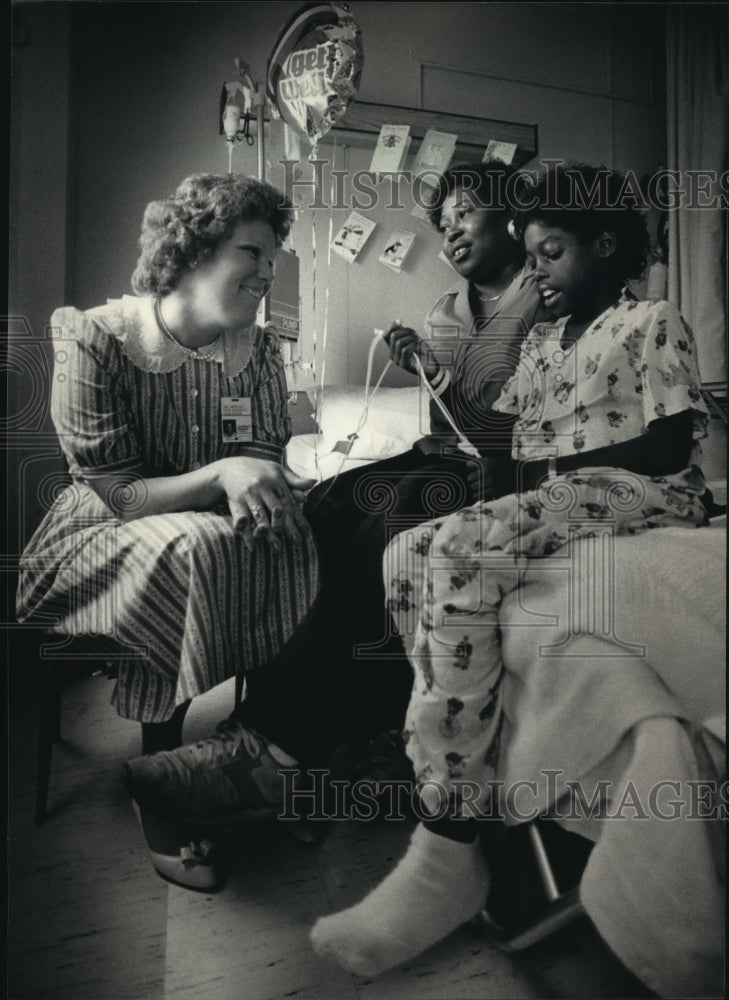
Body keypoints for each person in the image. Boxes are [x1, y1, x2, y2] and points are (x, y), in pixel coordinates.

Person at [309, 162, 712, 977]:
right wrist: (430, 372)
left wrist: (551, 473)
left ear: (605, 247)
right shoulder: (540, 345)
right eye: (529, 259)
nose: (538, 274)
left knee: (459, 552)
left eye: (552, 253)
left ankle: (447, 842)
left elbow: (669, 443)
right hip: (568, 490)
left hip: (645, 490)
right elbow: (493, 437)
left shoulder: (649, 321)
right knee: (407, 554)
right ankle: (454, 781)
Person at [121, 161, 551, 853]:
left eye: (463, 217)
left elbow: (506, 429)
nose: (450, 237)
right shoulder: (445, 311)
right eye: (441, 228)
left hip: (506, 468)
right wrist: (428, 369)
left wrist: (449, 369)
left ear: (509, 219)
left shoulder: (546, 296)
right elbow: (449, 419)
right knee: (327, 500)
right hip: (446, 451)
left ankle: (277, 748)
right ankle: (309, 731)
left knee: (400, 513)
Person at [16, 173, 319, 887]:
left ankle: (256, 762)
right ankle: (165, 783)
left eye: (274, 258)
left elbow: (266, 454)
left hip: (204, 526)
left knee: (299, 533)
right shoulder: (96, 335)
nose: (268, 272)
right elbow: (117, 490)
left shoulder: (261, 351)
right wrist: (223, 475)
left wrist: (264, 484)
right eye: (253, 252)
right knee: (192, 548)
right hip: (98, 533)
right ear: (190, 253)